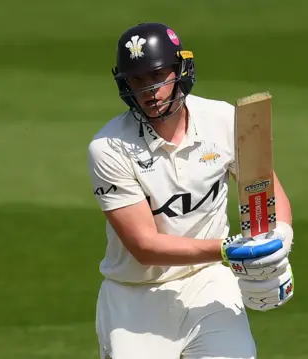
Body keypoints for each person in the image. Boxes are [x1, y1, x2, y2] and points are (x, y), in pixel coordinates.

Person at [87, 22, 296, 359]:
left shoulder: (223, 119)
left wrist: (280, 239)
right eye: (137, 81)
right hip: (135, 297)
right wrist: (229, 251)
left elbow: (263, 182)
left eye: (158, 76)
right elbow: (145, 246)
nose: (149, 91)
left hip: (207, 283)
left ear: (180, 71)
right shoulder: (109, 148)